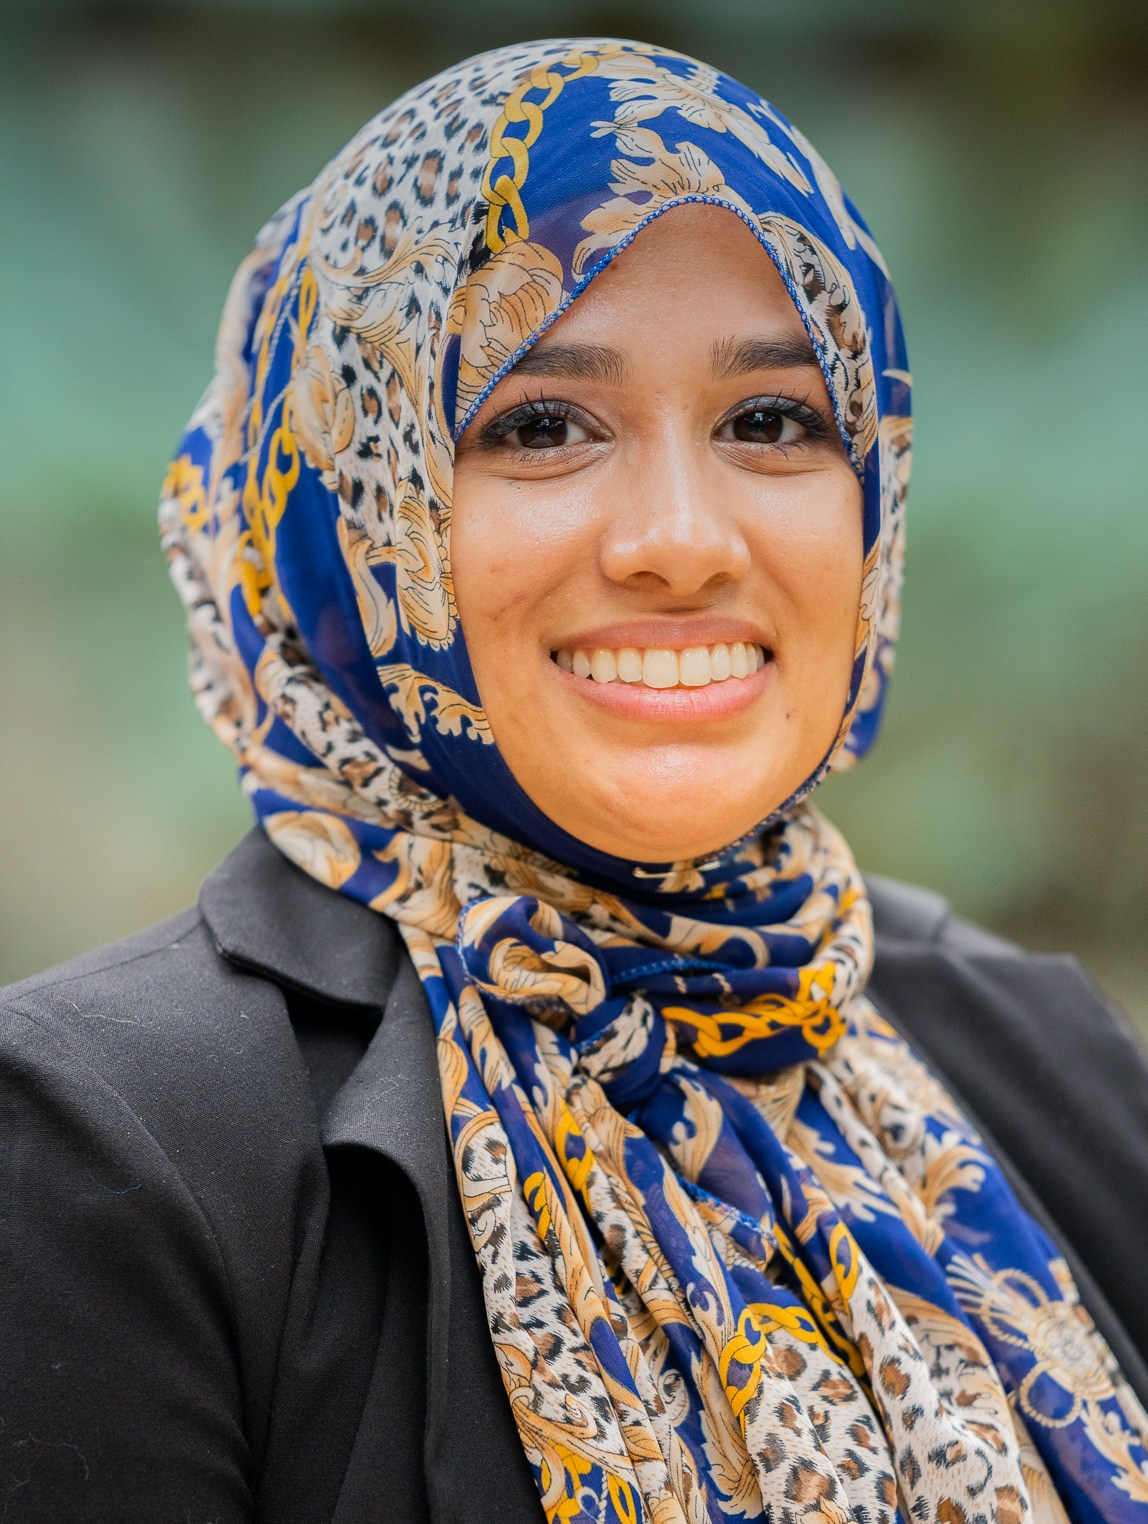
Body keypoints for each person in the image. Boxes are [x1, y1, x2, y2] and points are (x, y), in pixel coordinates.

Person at [2, 36, 1147, 1524]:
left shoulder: (1036, 1051)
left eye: (774, 421)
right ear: (347, 504)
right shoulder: (105, 1151)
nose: (683, 538)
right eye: (541, 426)